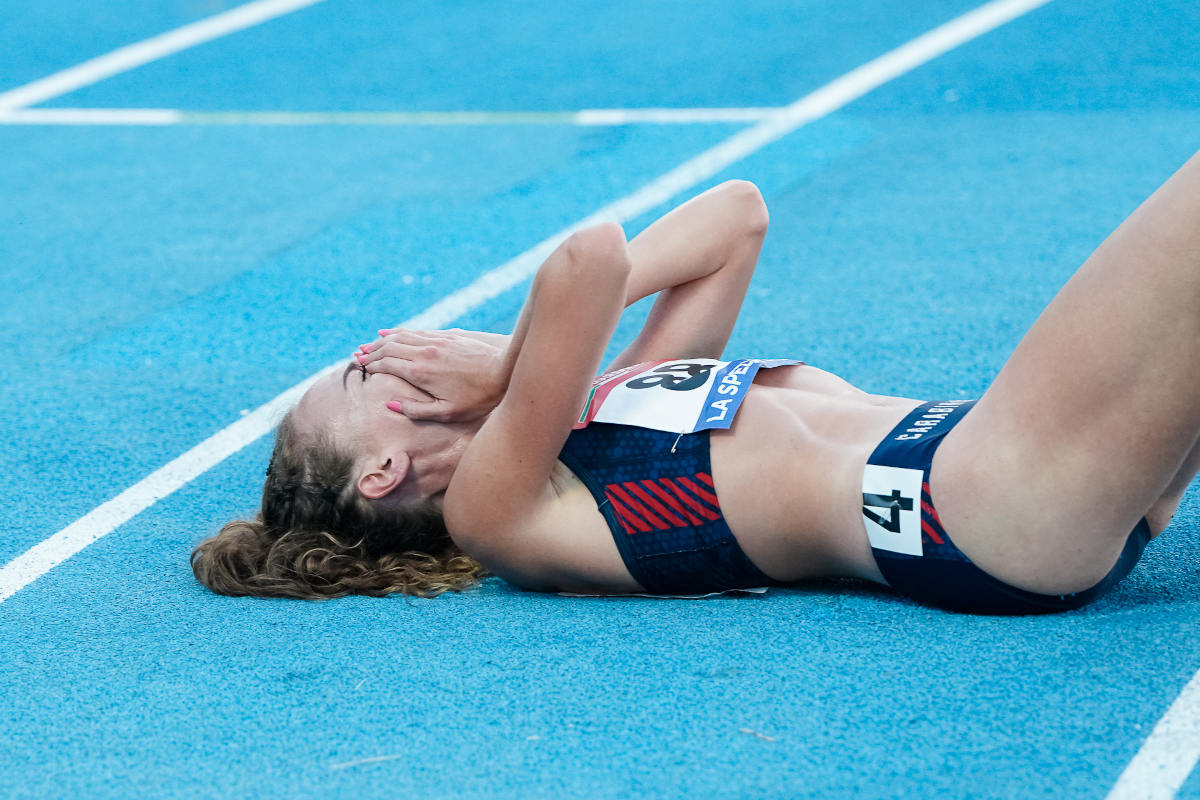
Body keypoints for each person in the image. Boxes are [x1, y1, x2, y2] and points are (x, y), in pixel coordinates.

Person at [192, 153, 1200, 614]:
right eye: (370, 371)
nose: (398, 350)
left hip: (996, 465)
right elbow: (587, 259)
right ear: (384, 467)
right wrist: (506, 362)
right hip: (979, 500)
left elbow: (737, 218)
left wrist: (533, 364)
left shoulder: (604, 405)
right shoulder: (499, 513)